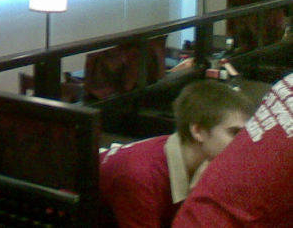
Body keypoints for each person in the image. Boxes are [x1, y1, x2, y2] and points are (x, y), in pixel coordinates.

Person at [98, 79, 255, 227]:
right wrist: (196, 200)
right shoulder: (141, 177)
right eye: (234, 133)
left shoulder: (196, 158)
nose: (244, 142)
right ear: (198, 131)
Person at [172, 72, 292, 227]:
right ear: (198, 131)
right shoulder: (149, 169)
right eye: (234, 133)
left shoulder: (287, 82)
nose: (236, 144)